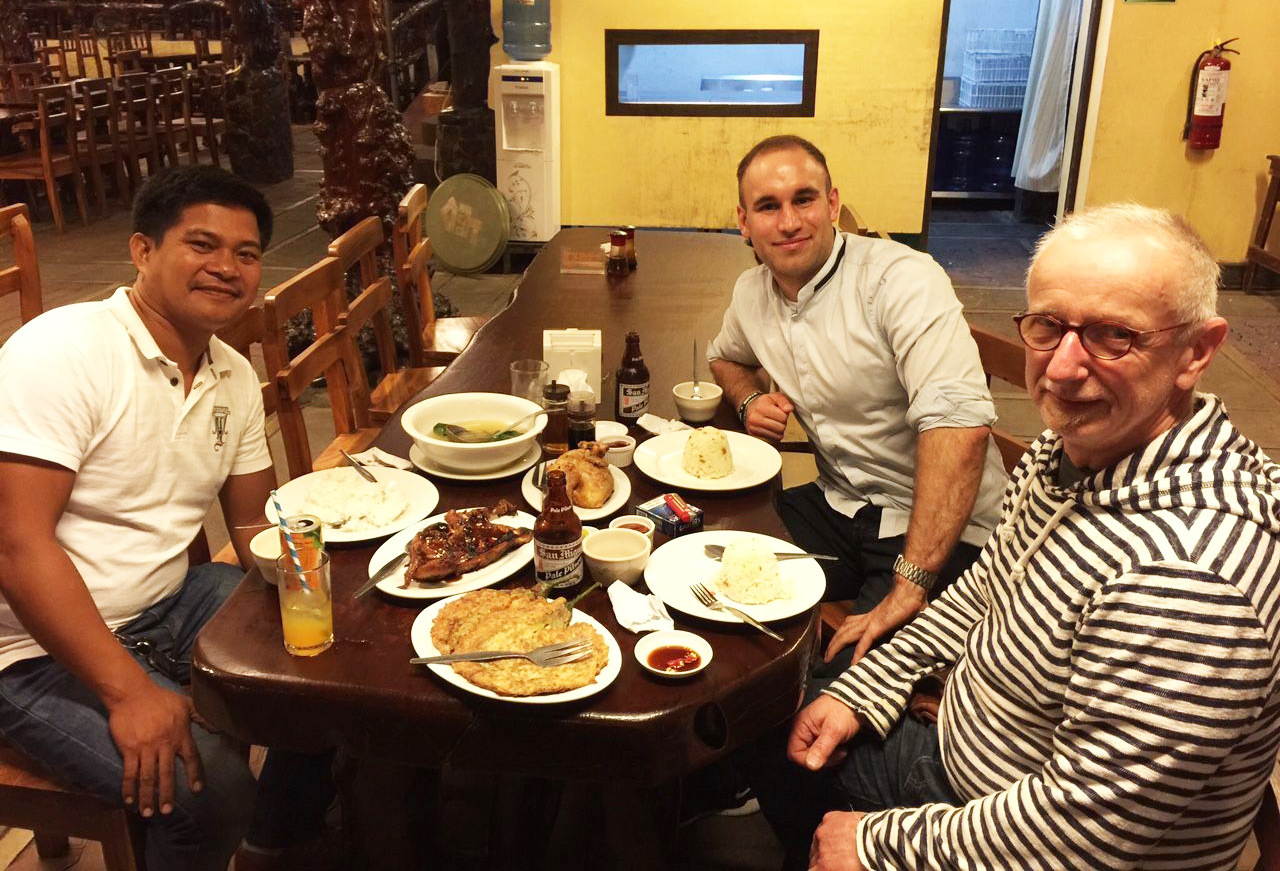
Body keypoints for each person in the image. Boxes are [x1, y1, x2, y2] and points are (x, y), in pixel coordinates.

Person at [769, 203, 1280, 871]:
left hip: (1020, 829)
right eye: (1049, 326)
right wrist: (871, 686)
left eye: (1113, 335)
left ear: (1197, 351)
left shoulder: (1189, 577)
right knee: (803, 707)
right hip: (973, 757)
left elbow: (1083, 830)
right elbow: (987, 587)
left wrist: (874, 843)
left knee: (762, 739)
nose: (1063, 369)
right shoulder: (1070, 453)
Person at [0, 166, 328, 870]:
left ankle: (270, 842)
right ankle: (215, 830)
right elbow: (17, 546)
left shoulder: (232, 373)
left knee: (328, 669)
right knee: (205, 788)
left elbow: (250, 530)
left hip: (164, 604)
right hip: (25, 651)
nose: (226, 268)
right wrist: (127, 690)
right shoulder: (65, 351)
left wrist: (317, 570)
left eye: (245, 253)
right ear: (143, 250)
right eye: (202, 244)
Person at [708, 135, 1008, 663]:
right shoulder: (752, 293)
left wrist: (911, 585)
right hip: (838, 503)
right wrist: (749, 400)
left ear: (832, 204)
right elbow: (725, 358)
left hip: (939, 532)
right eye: (768, 206)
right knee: (703, 574)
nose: (789, 222)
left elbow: (960, 427)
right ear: (743, 221)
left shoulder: (900, 279)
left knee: (838, 684)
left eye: (804, 199)